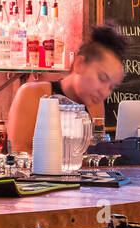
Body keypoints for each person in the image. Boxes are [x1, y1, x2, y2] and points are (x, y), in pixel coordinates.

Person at [7, 20, 126, 154]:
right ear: (80, 64)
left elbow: (94, 155)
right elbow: (19, 154)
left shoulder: (95, 104)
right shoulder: (32, 94)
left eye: (111, 87)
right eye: (102, 78)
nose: (105, 92)